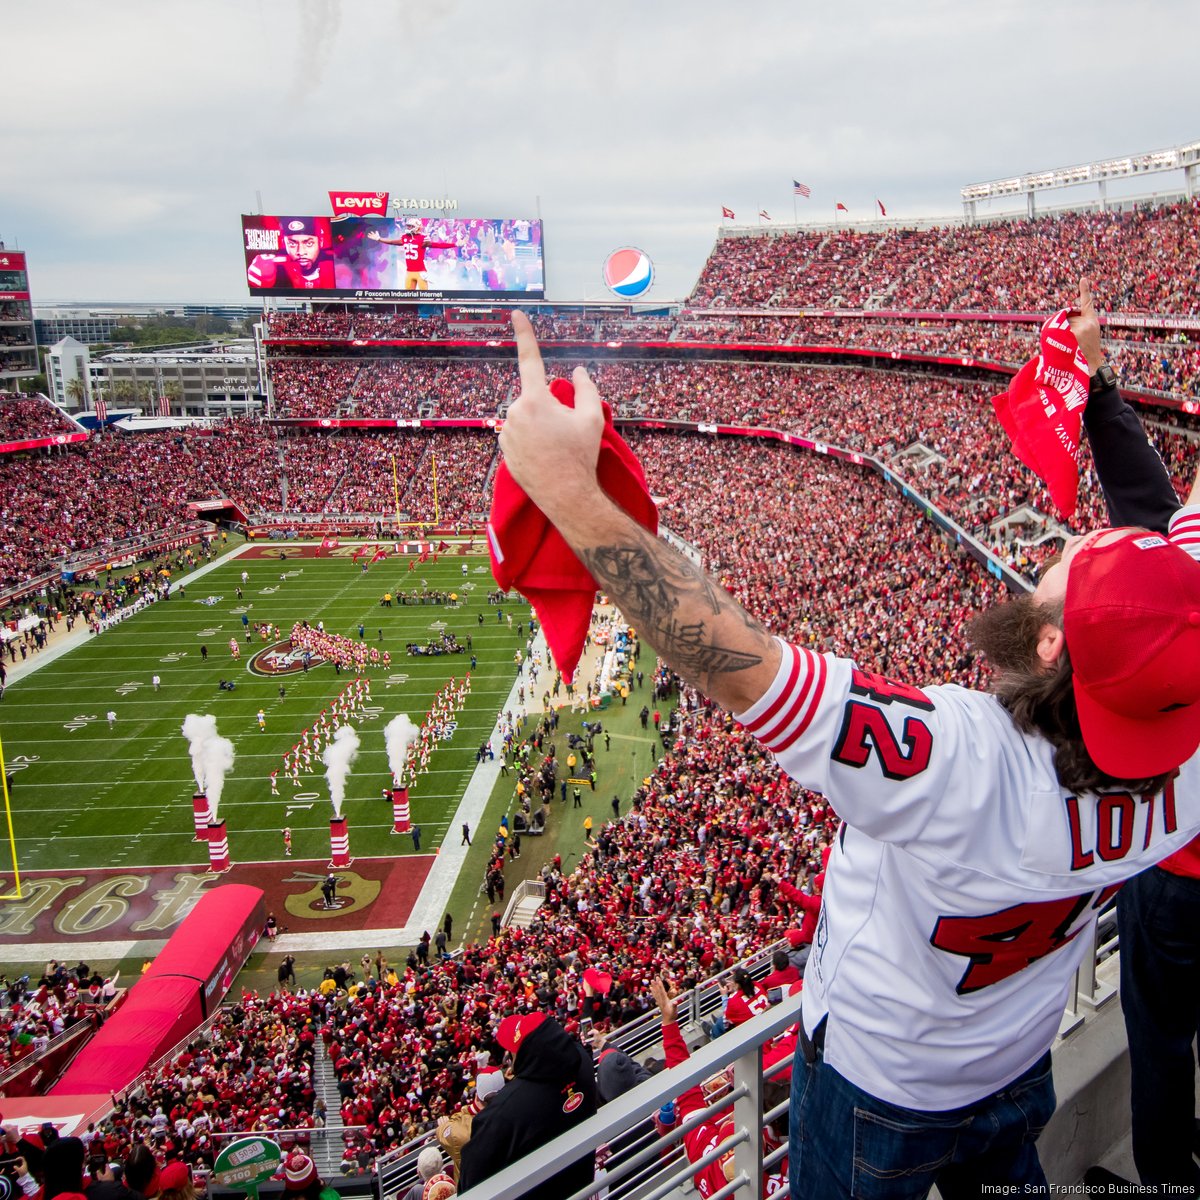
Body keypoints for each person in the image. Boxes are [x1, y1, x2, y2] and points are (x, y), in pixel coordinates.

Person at [496, 304, 1200, 1195]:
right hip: (1018, 1061)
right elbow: (1171, 548)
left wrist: (567, 491)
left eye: (1077, 555)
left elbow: (736, 661)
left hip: (884, 1090)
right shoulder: (1185, 770)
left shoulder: (958, 761)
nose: (1066, 540)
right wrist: (1097, 389)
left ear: (1053, 646)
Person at [1070, 282, 1200, 1192]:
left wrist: (1096, 377)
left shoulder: (1183, 561)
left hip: (1178, 859)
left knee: (1160, 1036)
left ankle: (1165, 1177)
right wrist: (1103, 384)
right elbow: (1153, 504)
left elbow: (1150, 512)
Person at [460, 1013, 597, 1200]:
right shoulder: (583, 1061)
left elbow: (471, 1182)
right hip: (583, 1183)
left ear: (527, 1054)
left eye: (513, 1050)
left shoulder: (503, 1113)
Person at [368, 217, 459, 291]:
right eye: (408, 226)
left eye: (410, 226)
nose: (408, 228)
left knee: (425, 297)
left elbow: (438, 245)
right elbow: (392, 242)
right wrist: (379, 239)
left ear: (416, 227)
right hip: (409, 272)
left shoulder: (422, 238)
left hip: (420, 272)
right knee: (409, 298)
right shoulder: (405, 238)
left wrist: (455, 244)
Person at [247, 217, 336, 290]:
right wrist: (259, 276)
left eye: (309, 243)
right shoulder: (276, 267)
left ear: (320, 242)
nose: (300, 252)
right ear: (284, 243)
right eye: (292, 244)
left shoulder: (335, 266)